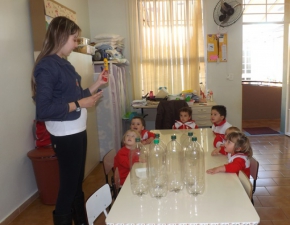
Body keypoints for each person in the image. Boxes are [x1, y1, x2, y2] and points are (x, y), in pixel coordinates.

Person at [31, 16, 108, 225]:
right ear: (62, 36)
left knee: (75, 184)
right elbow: (44, 109)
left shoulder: (64, 64)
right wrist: (80, 104)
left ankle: (82, 222)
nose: (76, 44)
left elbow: (75, 96)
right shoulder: (47, 66)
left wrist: (96, 84)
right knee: (68, 187)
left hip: (76, 129)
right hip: (65, 134)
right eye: (74, 39)